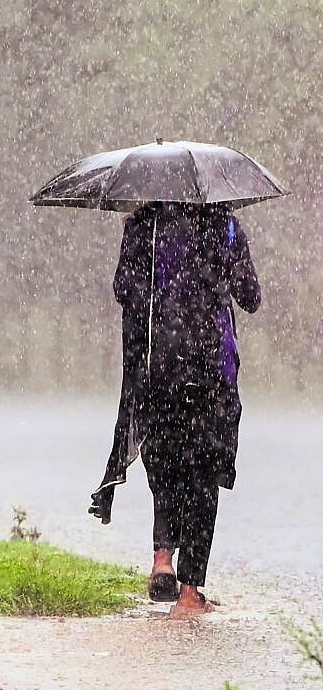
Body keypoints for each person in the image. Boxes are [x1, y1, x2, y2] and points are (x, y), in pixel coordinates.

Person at [90, 202, 260, 617]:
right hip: (210, 371)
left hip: (156, 367)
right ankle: (189, 593)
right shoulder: (226, 226)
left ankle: (162, 557)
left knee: (165, 462)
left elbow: (121, 289)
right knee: (202, 475)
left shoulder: (142, 227)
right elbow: (250, 297)